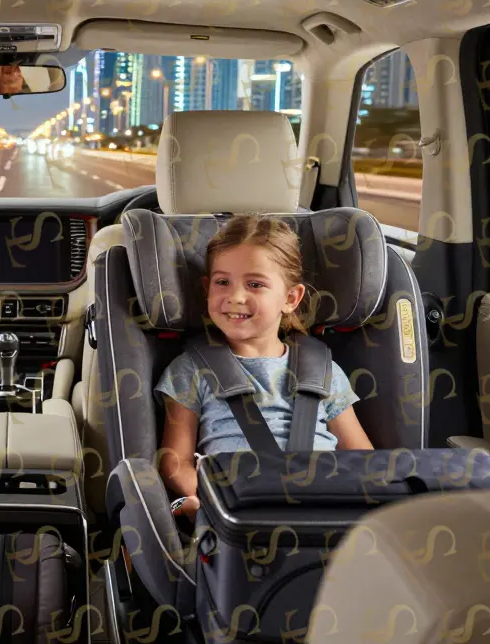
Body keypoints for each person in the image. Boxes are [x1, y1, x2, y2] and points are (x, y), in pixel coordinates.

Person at [156, 214, 374, 520]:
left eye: (255, 284)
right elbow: (175, 462)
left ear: (290, 297)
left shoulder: (324, 372)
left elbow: (363, 459)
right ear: (207, 288)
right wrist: (209, 503)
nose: (235, 296)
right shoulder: (190, 370)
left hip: (321, 510)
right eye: (222, 282)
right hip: (236, 507)